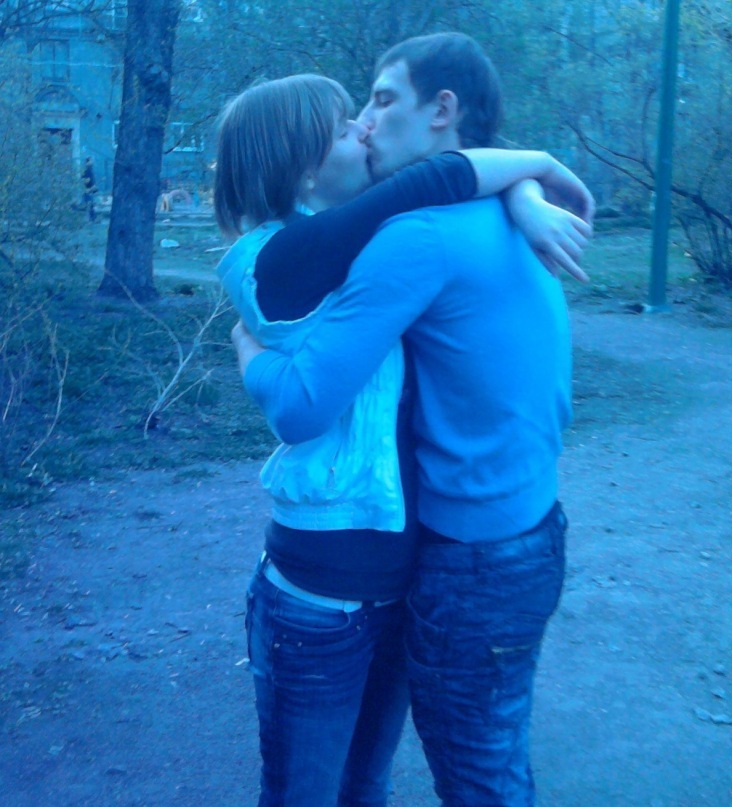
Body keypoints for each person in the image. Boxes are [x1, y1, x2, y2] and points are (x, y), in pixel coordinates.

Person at [232, 33, 591, 806]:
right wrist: (526, 182)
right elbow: (445, 181)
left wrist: (244, 350)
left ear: (441, 111)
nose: (366, 122)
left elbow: (298, 404)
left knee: (477, 775)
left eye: (382, 99)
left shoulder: (419, 237)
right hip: (532, 529)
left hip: (470, 557)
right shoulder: (489, 216)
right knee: (489, 762)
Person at [82, 156, 98, 222]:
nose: (92, 162)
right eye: (91, 161)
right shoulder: (87, 171)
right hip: (88, 191)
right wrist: (90, 188)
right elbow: (86, 181)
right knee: (89, 204)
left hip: (90, 191)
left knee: (90, 204)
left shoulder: (90, 171)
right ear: (87, 162)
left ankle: (92, 218)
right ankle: (92, 218)